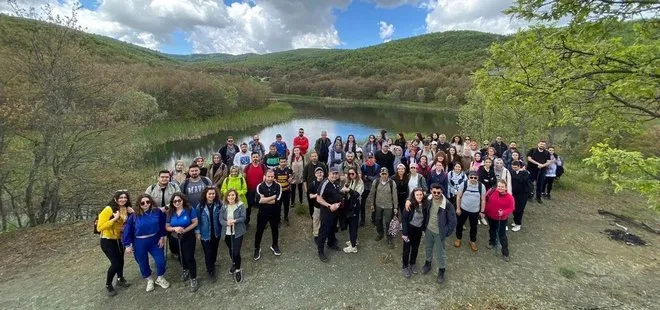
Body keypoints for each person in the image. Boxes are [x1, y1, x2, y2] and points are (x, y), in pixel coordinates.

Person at [123, 194, 170, 292]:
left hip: (155, 240)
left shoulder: (157, 212)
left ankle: (160, 278)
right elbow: (128, 230)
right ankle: (149, 279)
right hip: (139, 242)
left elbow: (162, 225)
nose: (145, 204)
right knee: (142, 262)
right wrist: (128, 245)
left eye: (148, 202)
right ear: (139, 204)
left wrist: (162, 237)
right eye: (143, 202)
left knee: (160, 261)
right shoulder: (134, 216)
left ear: (151, 202)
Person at [97, 190, 132, 296]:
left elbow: (127, 223)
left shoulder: (125, 209)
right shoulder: (108, 209)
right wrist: (114, 219)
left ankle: (120, 278)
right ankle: (108, 284)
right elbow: (100, 227)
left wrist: (132, 213)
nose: (123, 199)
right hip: (107, 240)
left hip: (119, 239)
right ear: (115, 199)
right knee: (115, 263)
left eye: (125, 198)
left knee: (121, 260)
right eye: (121, 198)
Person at [420, 184, 457, 284]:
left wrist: (446, 233)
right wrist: (408, 201)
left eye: (438, 192)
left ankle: (441, 270)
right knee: (428, 248)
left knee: (441, 252)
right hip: (428, 229)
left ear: (442, 192)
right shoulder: (428, 199)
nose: (436, 194)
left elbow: (453, 221)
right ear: (431, 191)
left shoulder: (447, 205)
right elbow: (415, 196)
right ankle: (428, 263)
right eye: (434, 192)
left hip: (439, 233)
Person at [166, 193, 199, 292]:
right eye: (175, 201)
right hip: (175, 237)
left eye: (179, 200)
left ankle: (193, 278)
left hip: (188, 236)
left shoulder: (189, 209)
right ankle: (185, 269)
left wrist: (185, 230)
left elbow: (195, 222)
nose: (177, 203)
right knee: (180, 256)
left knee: (189, 257)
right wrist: (174, 228)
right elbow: (167, 226)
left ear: (183, 200)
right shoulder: (170, 212)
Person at [253, 169, 283, 260]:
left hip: (275, 213)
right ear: (264, 176)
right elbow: (259, 201)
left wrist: (265, 200)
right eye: (268, 176)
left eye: (272, 177)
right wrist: (272, 197)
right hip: (262, 213)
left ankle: (274, 245)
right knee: (259, 231)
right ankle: (257, 248)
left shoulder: (278, 186)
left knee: (275, 230)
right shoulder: (259, 186)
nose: (270, 178)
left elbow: (277, 201)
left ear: (274, 177)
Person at [315, 167, 343, 262]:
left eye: (336, 174)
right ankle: (320, 251)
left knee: (332, 228)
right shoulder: (325, 183)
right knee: (324, 230)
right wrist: (329, 206)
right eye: (333, 174)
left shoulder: (336, 182)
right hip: (327, 211)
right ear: (329, 174)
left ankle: (331, 243)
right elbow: (318, 198)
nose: (334, 175)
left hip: (335, 210)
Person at [194, 186, 222, 282]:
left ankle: (212, 263)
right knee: (208, 252)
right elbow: (197, 220)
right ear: (205, 195)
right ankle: (210, 271)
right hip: (205, 234)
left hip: (216, 232)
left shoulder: (218, 204)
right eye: (209, 194)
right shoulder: (200, 206)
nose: (211, 195)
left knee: (214, 250)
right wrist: (197, 232)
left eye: (213, 193)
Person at [454, 171, 485, 252]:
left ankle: (472, 241)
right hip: (463, 209)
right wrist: (458, 208)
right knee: (459, 225)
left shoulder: (481, 186)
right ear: (468, 177)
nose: (473, 179)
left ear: (478, 178)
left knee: (474, 227)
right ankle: (458, 238)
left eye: (475, 178)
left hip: (475, 211)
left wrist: (482, 211)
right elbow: (458, 196)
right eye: (471, 177)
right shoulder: (463, 184)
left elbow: (483, 199)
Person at [219, 189, 246, 283]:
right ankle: (234, 263)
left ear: (236, 196)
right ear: (226, 197)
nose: (231, 197)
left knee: (236, 251)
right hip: (227, 232)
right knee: (231, 249)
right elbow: (220, 219)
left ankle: (238, 269)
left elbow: (243, 217)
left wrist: (235, 221)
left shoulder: (240, 205)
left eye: (233, 195)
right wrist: (227, 223)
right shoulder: (224, 206)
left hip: (238, 232)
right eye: (229, 195)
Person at [484, 179, 515, 262]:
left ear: (505, 188)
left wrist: (504, 212)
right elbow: (486, 199)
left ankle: (505, 252)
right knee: (492, 229)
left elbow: (511, 208)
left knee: (502, 235)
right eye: (499, 186)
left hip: (501, 219)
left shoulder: (510, 197)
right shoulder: (492, 192)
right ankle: (492, 242)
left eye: (502, 186)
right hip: (490, 216)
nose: (500, 188)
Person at [401, 188, 429, 278]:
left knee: (415, 248)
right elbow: (404, 219)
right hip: (409, 229)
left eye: (421, 194)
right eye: (417, 195)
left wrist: (423, 229)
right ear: (414, 195)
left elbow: (434, 194)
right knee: (406, 249)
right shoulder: (409, 205)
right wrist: (404, 233)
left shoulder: (426, 204)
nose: (419, 196)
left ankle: (412, 264)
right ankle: (405, 266)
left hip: (418, 230)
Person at [367, 167, 398, 248]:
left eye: (385, 174)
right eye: (382, 174)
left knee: (388, 222)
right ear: (380, 174)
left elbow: (395, 196)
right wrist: (372, 204)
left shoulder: (392, 183)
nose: (384, 175)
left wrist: (395, 207)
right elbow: (372, 194)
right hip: (378, 205)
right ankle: (380, 233)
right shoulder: (376, 182)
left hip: (388, 206)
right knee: (378, 220)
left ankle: (389, 237)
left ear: (388, 174)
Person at [342, 167, 364, 254]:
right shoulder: (349, 181)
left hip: (355, 205)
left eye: (353, 174)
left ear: (356, 173)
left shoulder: (360, 182)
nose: (351, 175)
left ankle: (353, 246)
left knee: (353, 224)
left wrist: (349, 190)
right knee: (351, 223)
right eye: (349, 174)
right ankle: (353, 240)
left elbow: (357, 194)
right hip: (349, 205)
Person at [244, 153, 267, 226]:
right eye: (253, 157)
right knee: (248, 207)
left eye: (256, 157)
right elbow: (243, 178)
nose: (255, 158)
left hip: (260, 191)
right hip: (249, 190)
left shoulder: (263, 166)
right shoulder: (247, 167)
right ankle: (246, 222)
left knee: (262, 207)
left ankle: (262, 222)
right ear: (251, 158)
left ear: (259, 158)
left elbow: (266, 176)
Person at [303, 151, 328, 217]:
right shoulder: (307, 166)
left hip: (322, 187)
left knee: (322, 203)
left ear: (318, 157)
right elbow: (304, 178)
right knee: (311, 204)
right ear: (310, 158)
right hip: (311, 189)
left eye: (315, 156)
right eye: (313, 156)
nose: (314, 158)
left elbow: (326, 176)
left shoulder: (322, 165)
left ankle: (322, 217)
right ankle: (313, 218)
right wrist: (306, 189)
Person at [510, 161, 531, 232]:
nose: (514, 169)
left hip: (523, 193)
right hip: (515, 192)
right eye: (513, 167)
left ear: (519, 166)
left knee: (519, 209)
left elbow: (521, 180)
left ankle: (518, 224)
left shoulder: (525, 173)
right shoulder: (512, 172)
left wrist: (520, 172)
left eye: (515, 167)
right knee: (514, 208)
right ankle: (516, 221)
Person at [360, 152, 380, 227]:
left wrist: (368, 177)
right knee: (362, 204)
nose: (370, 159)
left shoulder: (377, 166)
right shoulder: (363, 166)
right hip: (365, 187)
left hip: (374, 187)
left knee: (374, 203)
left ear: (374, 158)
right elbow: (362, 177)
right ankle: (362, 219)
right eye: (369, 157)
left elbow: (377, 177)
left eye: (371, 157)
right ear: (366, 158)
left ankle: (373, 218)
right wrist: (369, 177)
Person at [308, 167, 326, 240]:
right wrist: (318, 194)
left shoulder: (326, 182)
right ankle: (316, 235)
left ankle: (324, 233)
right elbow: (310, 196)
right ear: (315, 174)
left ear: (323, 174)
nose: (319, 174)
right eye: (318, 173)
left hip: (325, 205)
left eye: (321, 172)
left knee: (324, 220)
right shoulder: (313, 184)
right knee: (316, 220)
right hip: (317, 206)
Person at [274, 157, 293, 225]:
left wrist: (291, 179)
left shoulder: (289, 169)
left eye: (284, 162)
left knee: (286, 206)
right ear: (279, 162)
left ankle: (286, 217)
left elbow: (291, 177)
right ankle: (278, 220)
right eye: (281, 162)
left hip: (286, 191)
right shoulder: (275, 170)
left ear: (286, 162)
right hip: (279, 192)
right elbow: (274, 180)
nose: (283, 163)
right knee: (278, 206)